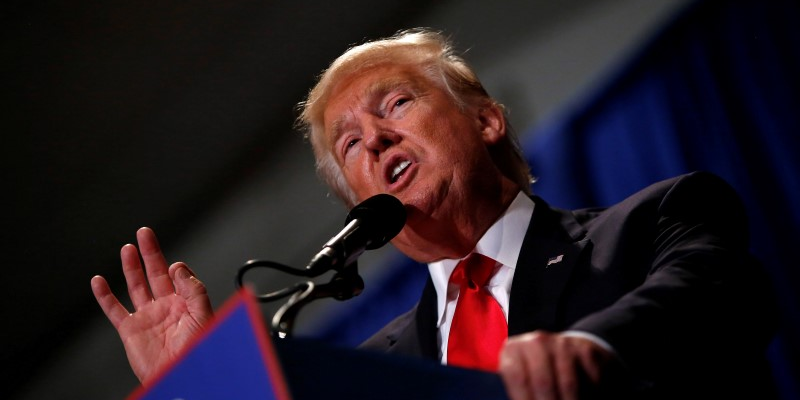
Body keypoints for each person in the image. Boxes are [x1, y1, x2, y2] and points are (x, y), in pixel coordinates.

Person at [92, 29, 776, 399]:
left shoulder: (653, 222)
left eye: (394, 105)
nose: (377, 140)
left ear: (484, 120)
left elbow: (724, 295)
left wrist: (592, 348)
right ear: (359, 201)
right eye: (351, 144)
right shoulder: (376, 371)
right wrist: (198, 387)